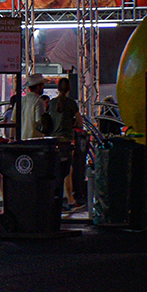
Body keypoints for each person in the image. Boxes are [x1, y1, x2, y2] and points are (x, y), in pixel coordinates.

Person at [55, 77, 80, 208]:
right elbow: (80, 122)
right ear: (69, 89)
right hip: (67, 141)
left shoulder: (52, 103)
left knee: (55, 170)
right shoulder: (71, 103)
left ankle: (56, 198)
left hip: (53, 142)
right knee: (67, 170)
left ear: (58, 89)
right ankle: (70, 199)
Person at [19, 73, 46, 139]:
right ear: (37, 86)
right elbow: (40, 122)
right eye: (42, 85)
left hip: (21, 138)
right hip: (35, 139)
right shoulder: (39, 101)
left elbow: (13, 120)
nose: (44, 87)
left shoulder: (21, 100)